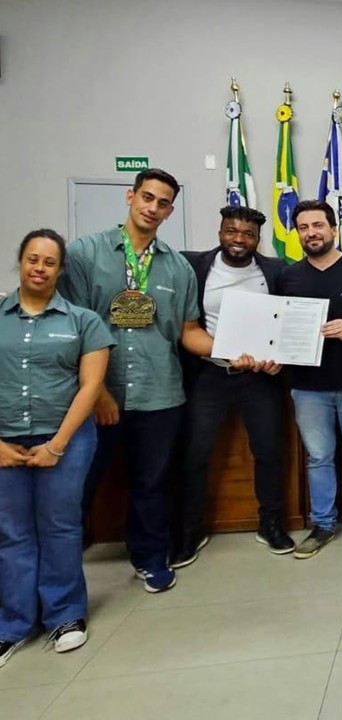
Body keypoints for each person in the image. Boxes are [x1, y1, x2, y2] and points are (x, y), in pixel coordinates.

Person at [57, 168, 221, 594]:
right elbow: (71, 328)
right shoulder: (85, 253)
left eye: (163, 203)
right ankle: (58, 574)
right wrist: (97, 392)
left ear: (170, 211)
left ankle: (150, 560)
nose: (153, 208)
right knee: (76, 486)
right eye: (147, 197)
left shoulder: (178, 268)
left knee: (151, 485)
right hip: (97, 395)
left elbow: (188, 332)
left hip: (159, 394)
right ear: (130, 197)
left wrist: (234, 349)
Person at [0, 231, 113, 668]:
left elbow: (90, 387)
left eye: (49, 262)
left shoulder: (84, 321)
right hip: (6, 439)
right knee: (11, 532)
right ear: (20, 262)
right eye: (33, 259)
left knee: (60, 526)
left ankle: (65, 615)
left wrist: (57, 444)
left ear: (60, 269)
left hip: (66, 439)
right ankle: (13, 623)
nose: (39, 268)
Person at [170, 206, 295, 568]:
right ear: (220, 231)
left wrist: (279, 356)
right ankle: (190, 531)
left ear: (258, 239)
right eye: (231, 231)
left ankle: (271, 524)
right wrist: (225, 351)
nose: (239, 239)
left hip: (259, 378)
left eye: (248, 234)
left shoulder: (275, 270)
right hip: (210, 374)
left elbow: (288, 320)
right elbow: (187, 326)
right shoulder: (193, 266)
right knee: (195, 454)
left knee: (269, 451)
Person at [276, 200, 342, 560]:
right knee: (319, 457)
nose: (312, 233)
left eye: (318, 225)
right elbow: (277, 326)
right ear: (297, 233)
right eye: (304, 227)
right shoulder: (287, 276)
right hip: (307, 387)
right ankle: (322, 524)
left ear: (334, 229)